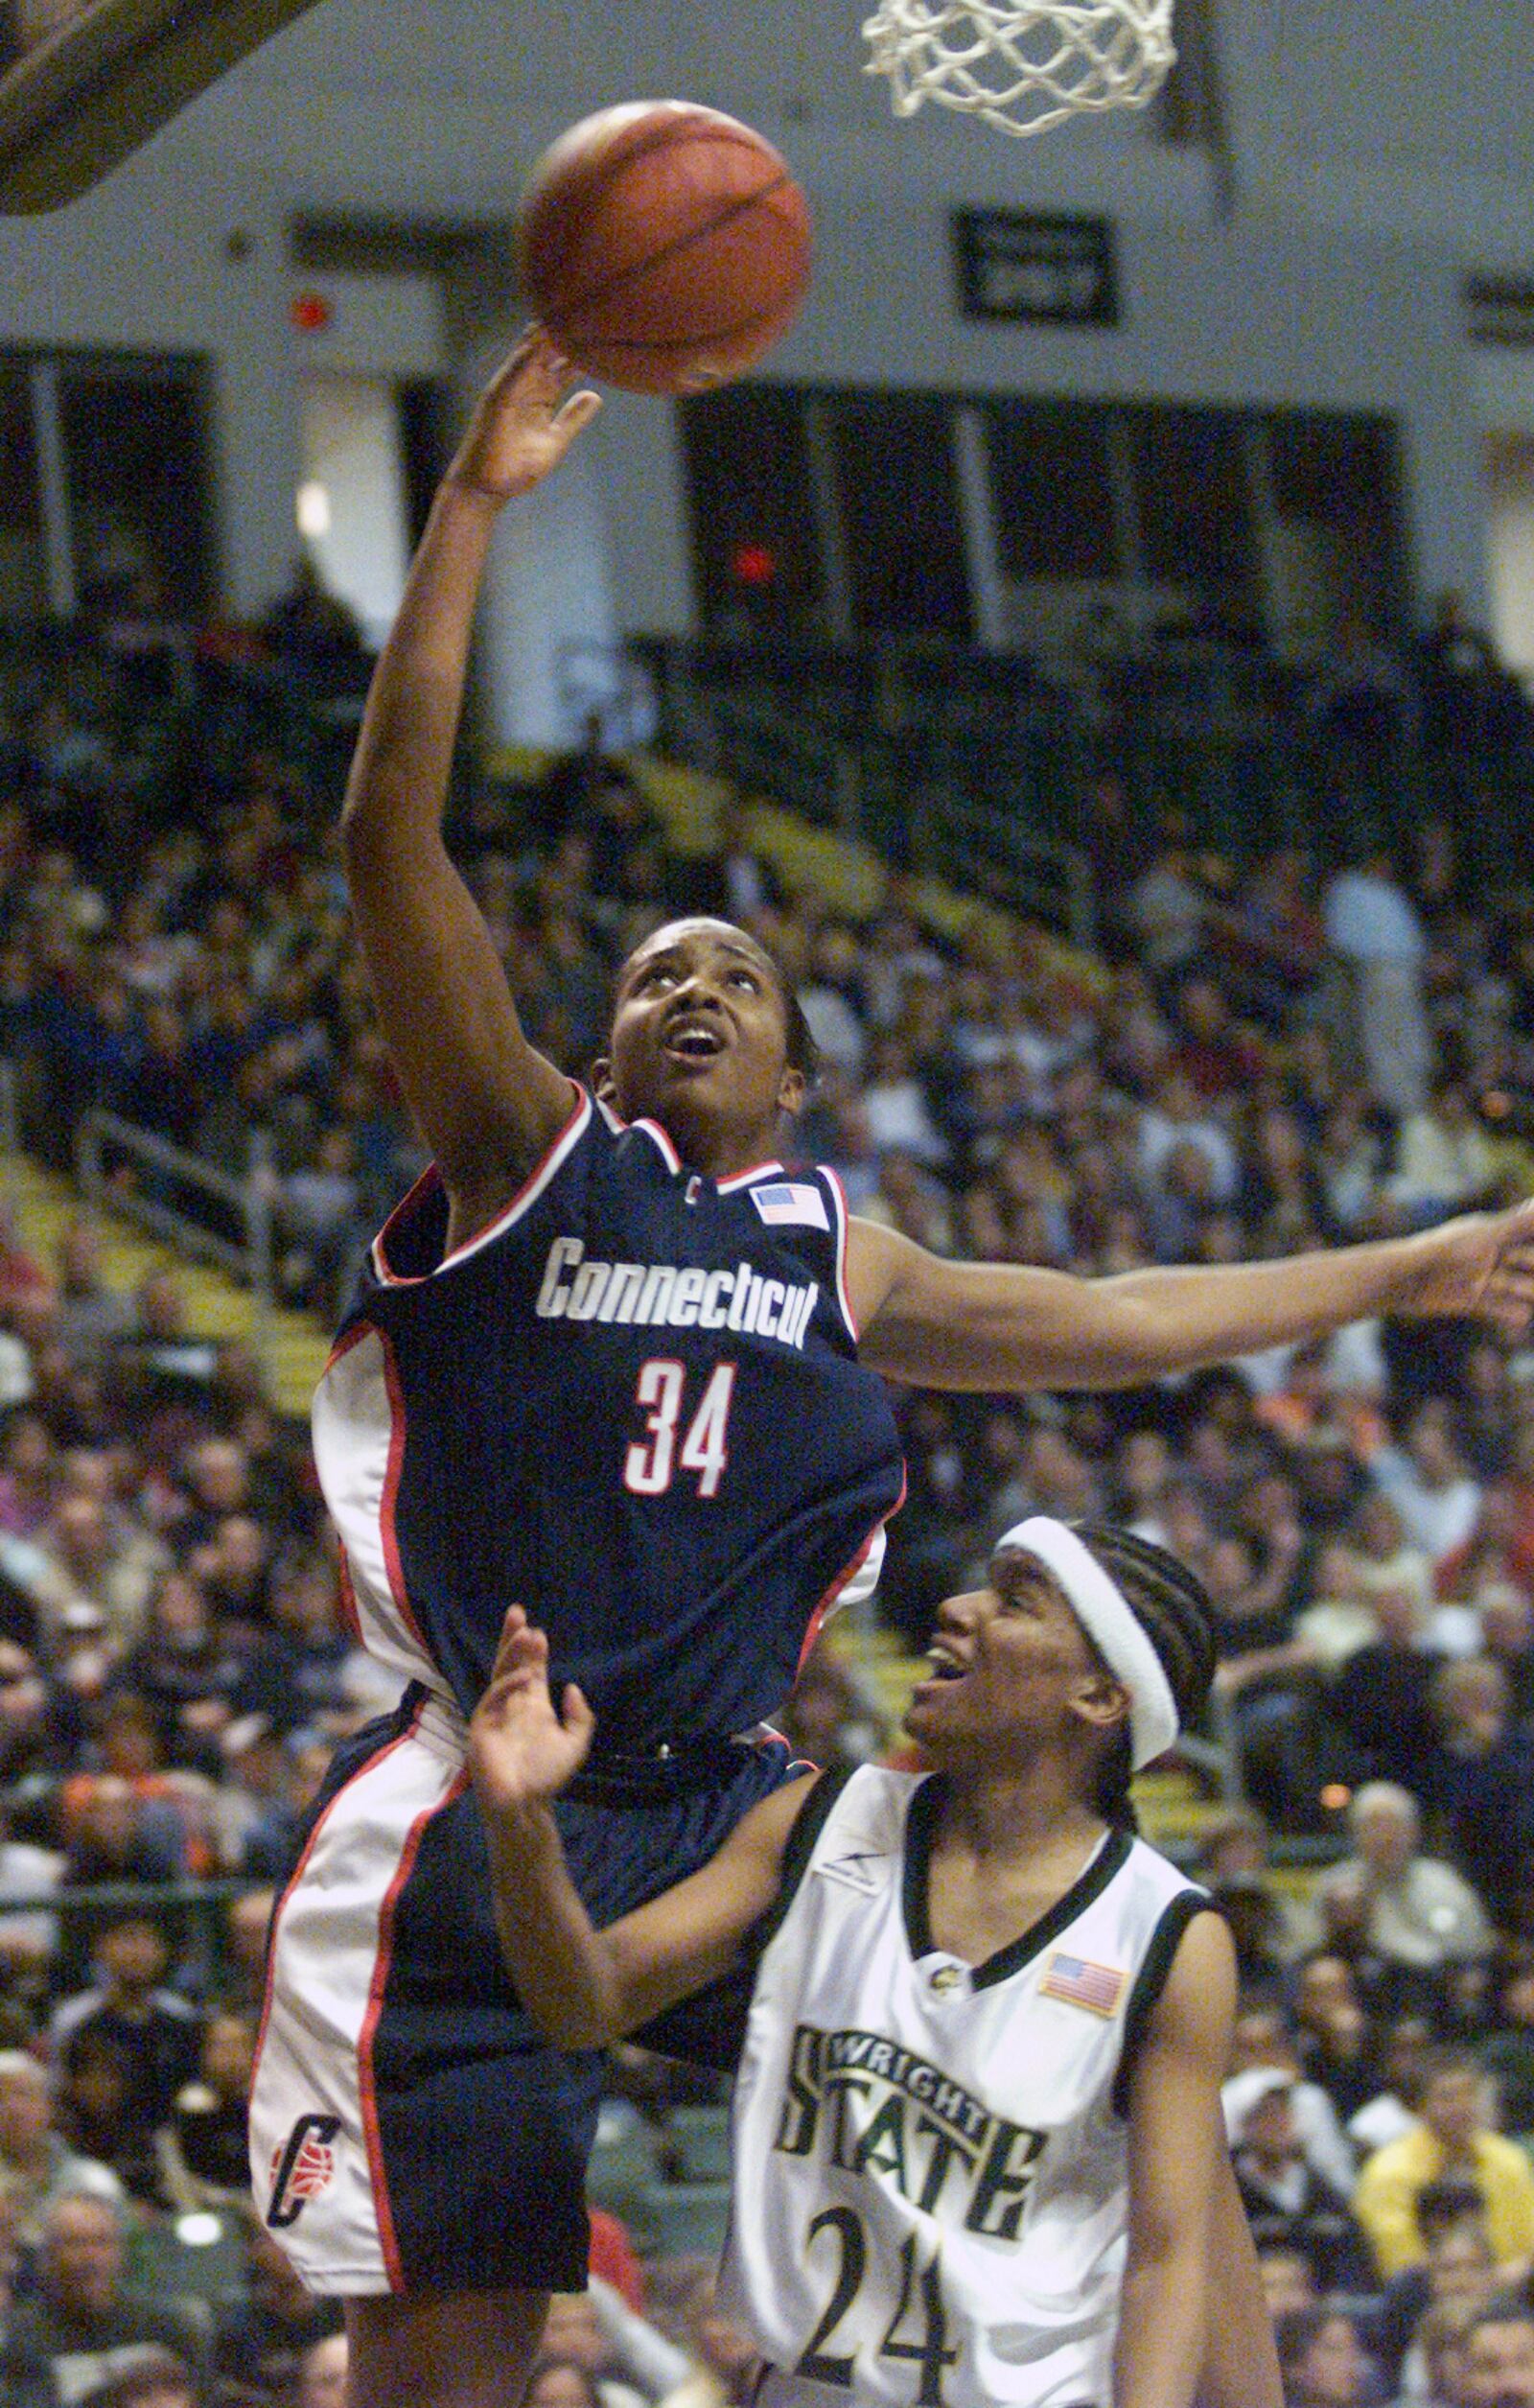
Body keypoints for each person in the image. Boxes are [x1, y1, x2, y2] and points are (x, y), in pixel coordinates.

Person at [248, 330, 1534, 2408]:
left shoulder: (845, 1254)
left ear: (795, 1066)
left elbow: (1119, 1322)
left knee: (1124, 2061)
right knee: (448, 2347)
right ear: (592, 1044)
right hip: (469, 1805)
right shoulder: (528, 1160)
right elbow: (392, 846)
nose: (684, 983)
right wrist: (466, 508)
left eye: (730, 973)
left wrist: (1410, 1263)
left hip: (743, 1809)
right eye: (650, 967)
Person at [468, 1518, 1276, 2408]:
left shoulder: (1165, 1935)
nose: (956, 1609)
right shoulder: (824, 1819)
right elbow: (586, 2003)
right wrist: (519, 1820)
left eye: (1013, 1601)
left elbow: (1167, 2260)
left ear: (1098, 1695)